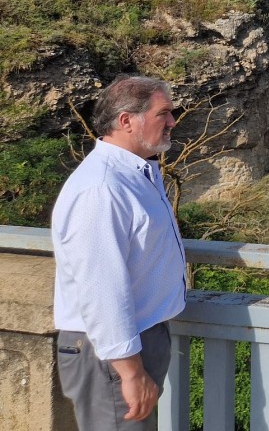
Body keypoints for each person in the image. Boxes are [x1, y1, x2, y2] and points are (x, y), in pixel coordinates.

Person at [52, 76, 186, 430]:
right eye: (164, 113)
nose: (173, 121)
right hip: (111, 354)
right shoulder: (102, 188)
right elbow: (100, 288)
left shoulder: (135, 173)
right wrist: (130, 370)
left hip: (132, 341)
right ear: (127, 120)